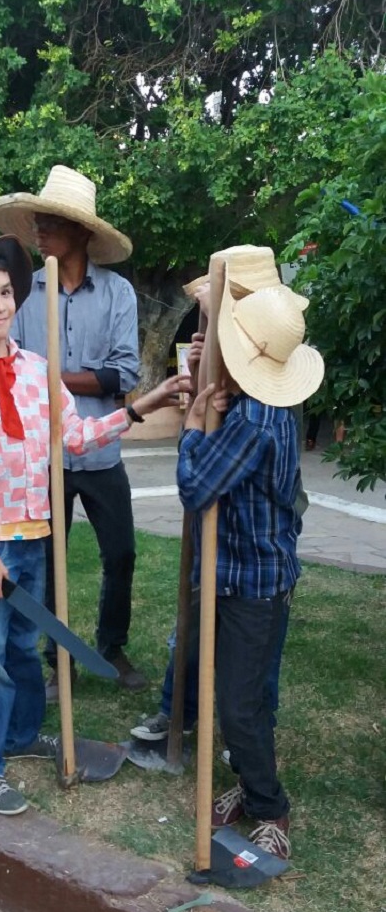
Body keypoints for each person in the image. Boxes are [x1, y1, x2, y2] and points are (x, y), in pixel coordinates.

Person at [0, 234, 187, 816]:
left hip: (37, 536)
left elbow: (75, 438)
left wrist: (145, 404)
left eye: (4, 293)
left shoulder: (39, 371)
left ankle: (20, 736)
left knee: (23, 648)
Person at [177, 271, 325, 861]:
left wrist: (191, 431)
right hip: (241, 575)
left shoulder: (257, 420)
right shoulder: (253, 404)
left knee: (239, 704)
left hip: (254, 585)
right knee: (240, 698)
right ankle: (247, 783)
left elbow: (196, 488)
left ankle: (269, 805)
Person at [0, 166, 146, 698]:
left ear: (80, 231)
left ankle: (112, 645)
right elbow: (10, 366)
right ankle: (59, 660)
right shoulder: (23, 296)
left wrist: (48, 375)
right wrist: (50, 377)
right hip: (45, 456)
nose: (39, 233)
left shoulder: (118, 293)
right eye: (36, 223)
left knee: (121, 553)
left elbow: (122, 373)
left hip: (99, 452)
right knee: (47, 560)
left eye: (50, 223)